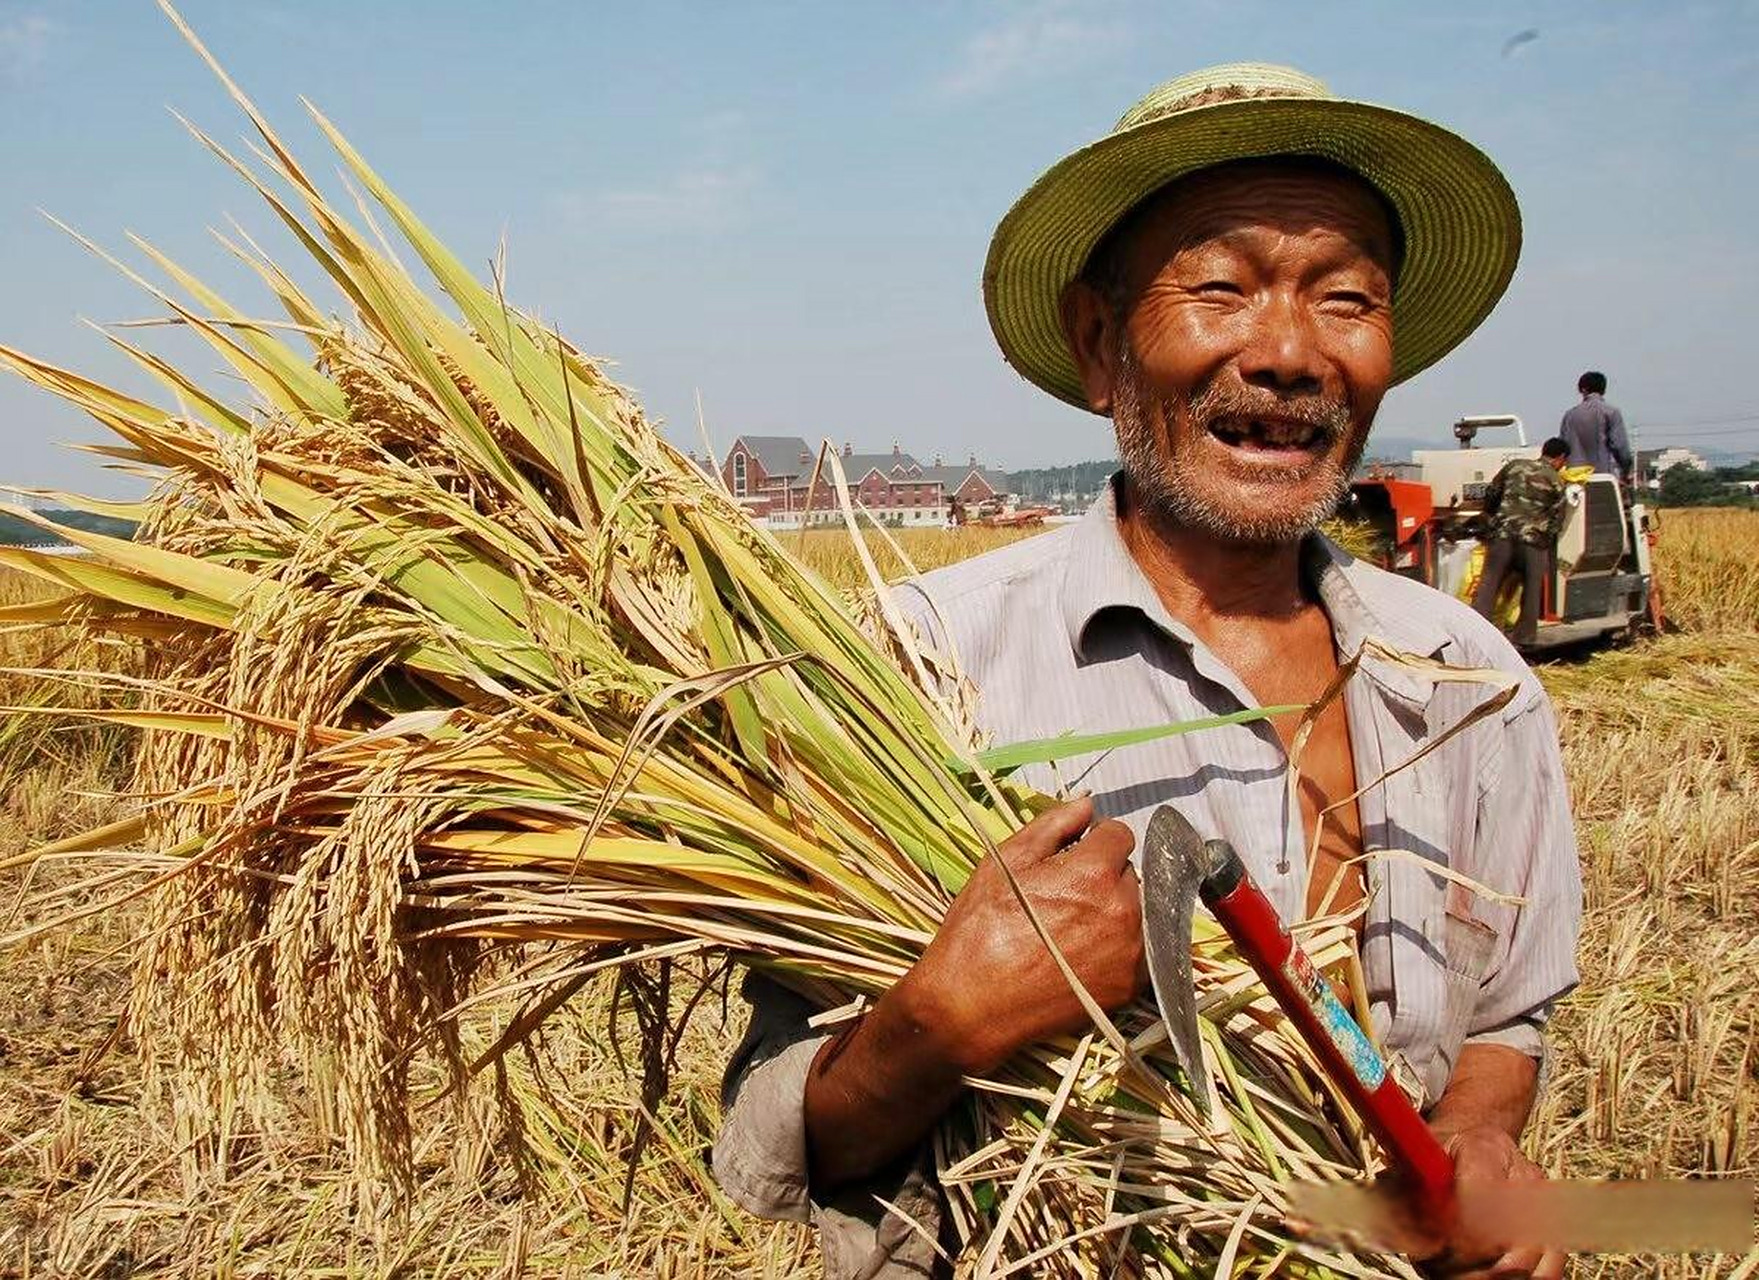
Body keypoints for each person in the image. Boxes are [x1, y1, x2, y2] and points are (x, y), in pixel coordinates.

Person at [714, 64, 1580, 1280]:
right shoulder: (912, 671)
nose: (1287, 352)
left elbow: (1505, 1015)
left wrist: (1479, 1138)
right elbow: (771, 1134)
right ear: (1096, 344)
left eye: (1346, 299)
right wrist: (935, 1023)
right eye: (1219, 287)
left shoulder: (1467, 680)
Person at [1473, 439, 1571, 647]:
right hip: (1532, 542)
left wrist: (1491, 515)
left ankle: (1475, 633)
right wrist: (1546, 540)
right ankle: (1524, 638)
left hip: (1503, 535)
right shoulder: (1556, 480)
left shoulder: (1514, 466)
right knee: (1532, 589)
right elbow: (1557, 518)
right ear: (1560, 458)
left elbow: (1492, 492)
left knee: (1489, 583)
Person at [1559, 371, 1633, 483]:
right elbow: (1620, 447)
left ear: (1582, 389)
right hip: (1602, 476)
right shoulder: (1611, 412)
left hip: (1574, 479)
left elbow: (1562, 448)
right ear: (1604, 389)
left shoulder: (1569, 415)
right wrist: (1625, 472)